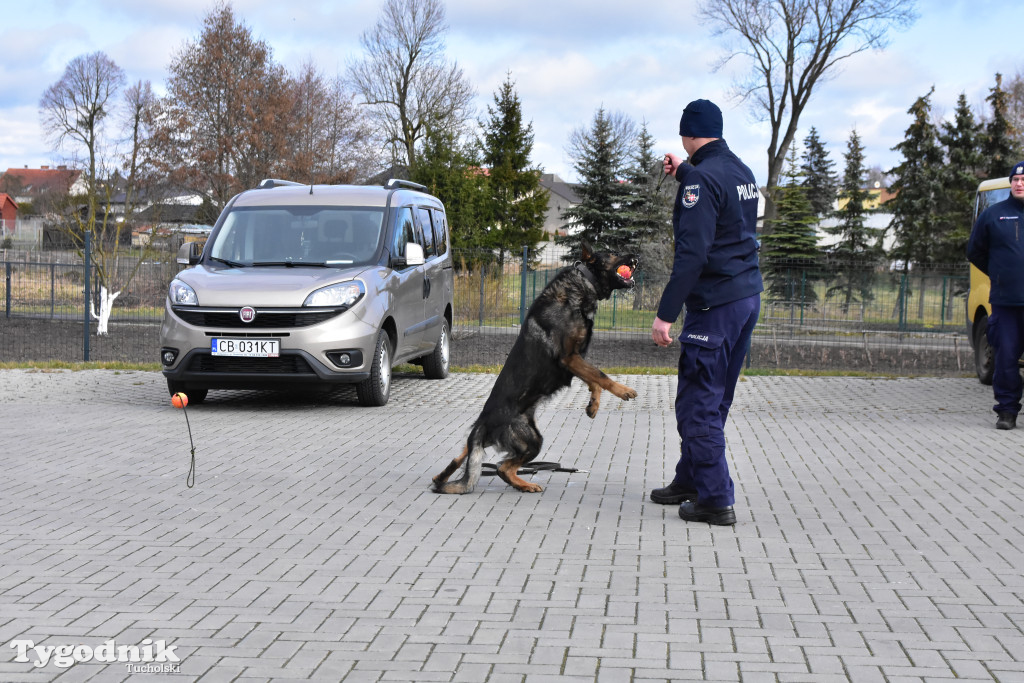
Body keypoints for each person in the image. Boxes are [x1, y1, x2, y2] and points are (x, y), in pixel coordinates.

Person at [649, 99, 763, 526]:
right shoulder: (740, 172)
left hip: (714, 304)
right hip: (745, 299)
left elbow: (692, 253)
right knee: (715, 399)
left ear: (687, 133)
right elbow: (719, 200)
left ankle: (715, 498)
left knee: (698, 402)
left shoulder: (700, 183)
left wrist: (666, 313)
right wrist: (683, 170)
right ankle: (691, 479)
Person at [967, 161, 1024, 430]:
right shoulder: (993, 215)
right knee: (1005, 359)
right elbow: (974, 251)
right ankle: (1007, 412)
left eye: (1023, 179)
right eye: (1016, 179)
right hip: (1005, 303)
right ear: (1010, 183)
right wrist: (997, 273)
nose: (1019, 183)